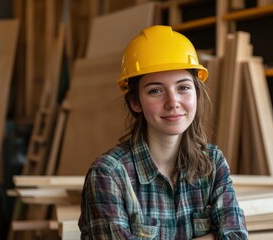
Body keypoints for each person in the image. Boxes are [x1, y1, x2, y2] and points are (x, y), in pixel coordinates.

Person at [78, 25, 248, 239]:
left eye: (183, 87)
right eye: (155, 91)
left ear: (196, 92)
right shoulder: (108, 174)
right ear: (135, 101)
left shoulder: (212, 163)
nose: (173, 102)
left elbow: (236, 236)